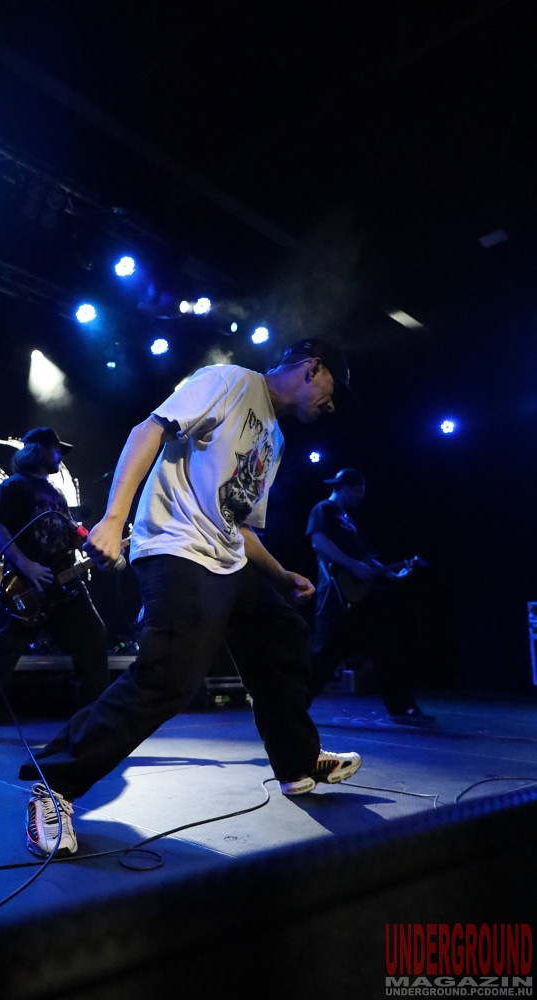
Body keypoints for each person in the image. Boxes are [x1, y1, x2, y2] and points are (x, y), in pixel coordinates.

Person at [18, 340, 363, 858]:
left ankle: (297, 762)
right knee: (170, 675)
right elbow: (148, 430)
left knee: (282, 635)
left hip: (225, 555)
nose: (331, 407)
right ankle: (55, 781)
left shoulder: (274, 438)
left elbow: (238, 523)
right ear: (313, 368)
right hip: (177, 547)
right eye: (333, 392)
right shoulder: (231, 382)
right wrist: (114, 518)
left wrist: (278, 576)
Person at [0, 427, 109, 740]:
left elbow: (69, 534)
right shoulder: (14, 486)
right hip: (27, 586)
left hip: (64, 585)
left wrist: (93, 547)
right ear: (38, 450)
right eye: (56, 449)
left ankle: (93, 720)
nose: (60, 455)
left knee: (93, 638)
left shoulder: (56, 493)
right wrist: (26, 565)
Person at [306, 467, 435, 725]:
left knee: (386, 648)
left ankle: (401, 707)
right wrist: (353, 565)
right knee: (324, 655)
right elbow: (319, 542)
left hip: (362, 596)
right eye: (358, 490)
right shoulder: (324, 509)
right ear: (344, 488)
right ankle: (293, 705)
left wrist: (393, 574)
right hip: (336, 594)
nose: (361, 496)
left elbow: (366, 561)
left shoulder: (348, 520)